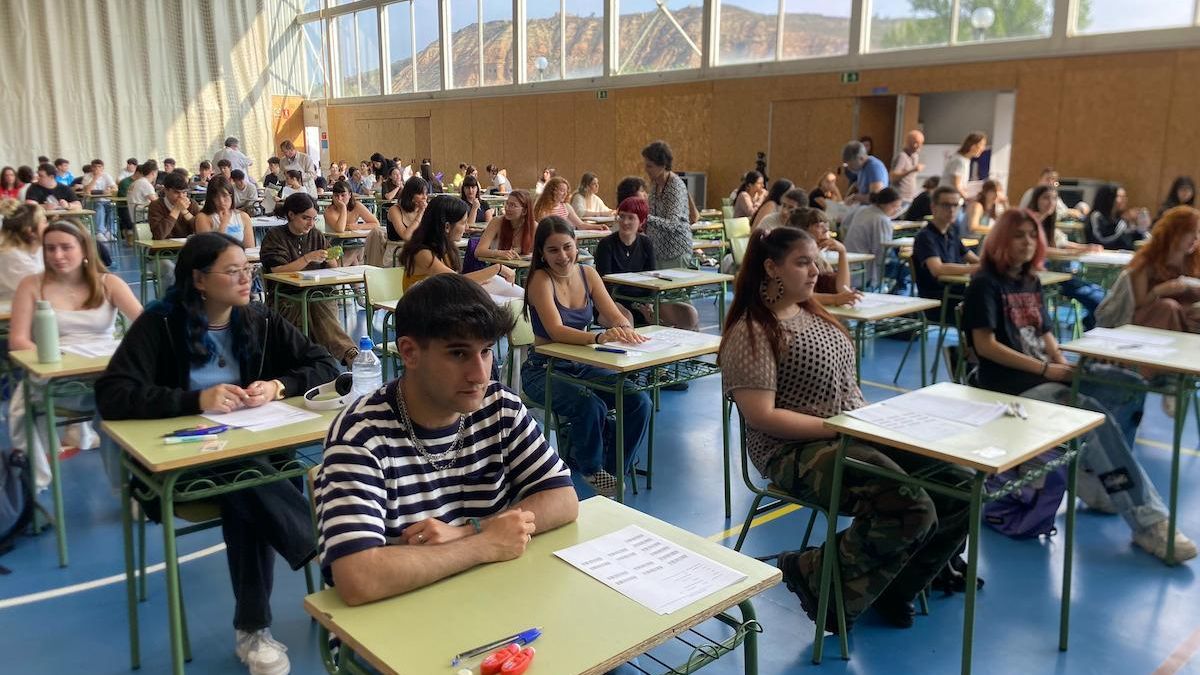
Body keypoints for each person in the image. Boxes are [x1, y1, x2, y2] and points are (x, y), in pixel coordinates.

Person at [97, 232, 337, 675]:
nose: (246, 279)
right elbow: (113, 394)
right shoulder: (161, 324)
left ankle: (254, 630)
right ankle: (332, 559)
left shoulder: (258, 320)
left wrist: (278, 386)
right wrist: (195, 401)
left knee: (246, 489)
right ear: (199, 280)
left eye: (247, 270)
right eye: (233, 272)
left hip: (255, 456)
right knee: (249, 481)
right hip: (179, 467)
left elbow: (324, 363)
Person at [720, 225, 970, 632]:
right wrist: (838, 429)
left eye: (815, 261)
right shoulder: (752, 331)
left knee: (958, 486)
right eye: (803, 262)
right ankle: (815, 574)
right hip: (791, 450)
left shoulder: (812, 311)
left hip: (849, 429)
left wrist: (875, 423)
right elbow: (762, 416)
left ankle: (894, 588)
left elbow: (847, 387)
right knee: (912, 504)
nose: (814, 270)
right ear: (772, 268)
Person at [313, 273, 579, 630]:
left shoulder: (499, 406)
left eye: (485, 351)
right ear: (409, 352)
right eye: (458, 353)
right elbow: (358, 576)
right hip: (398, 627)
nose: (479, 374)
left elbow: (562, 498)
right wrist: (484, 545)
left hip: (497, 605)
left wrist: (468, 531)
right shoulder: (361, 435)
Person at [961, 209, 1195, 564]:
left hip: (1045, 374)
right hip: (1009, 387)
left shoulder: (1031, 281)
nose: (1027, 242)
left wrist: (1058, 362)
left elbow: (1045, 333)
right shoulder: (985, 284)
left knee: (1127, 384)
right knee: (1091, 415)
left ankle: (1103, 481)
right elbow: (986, 346)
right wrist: (1046, 369)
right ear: (1001, 240)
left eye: (1031, 235)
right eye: (1018, 235)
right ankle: (1149, 521)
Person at [520, 217, 653, 498]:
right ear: (541, 253)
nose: (562, 256)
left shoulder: (588, 274)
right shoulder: (539, 279)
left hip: (583, 365)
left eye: (567, 247)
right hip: (543, 369)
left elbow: (614, 314)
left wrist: (624, 328)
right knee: (589, 403)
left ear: (576, 245)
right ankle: (591, 468)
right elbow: (555, 330)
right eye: (553, 250)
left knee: (638, 401)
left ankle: (613, 472)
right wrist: (597, 337)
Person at [9, 220, 141, 491]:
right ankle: (34, 481)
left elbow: (144, 327)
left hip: (106, 371)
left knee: (118, 410)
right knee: (23, 406)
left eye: (66, 247)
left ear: (84, 249)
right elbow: (18, 340)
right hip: (56, 375)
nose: (57, 255)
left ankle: (126, 488)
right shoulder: (32, 285)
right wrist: (55, 359)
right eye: (50, 248)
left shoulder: (109, 283)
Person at [260, 193, 359, 366]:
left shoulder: (316, 235)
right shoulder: (274, 237)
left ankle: (343, 355)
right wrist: (308, 258)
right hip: (286, 295)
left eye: (314, 219)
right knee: (313, 304)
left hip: (317, 291)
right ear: (291, 215)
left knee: (318, 301)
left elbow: (334, 268)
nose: (311, 224)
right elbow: (277, 270)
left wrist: (330, 259)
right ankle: (349, 353)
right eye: (306, 218)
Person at [594, 196, 700, 331]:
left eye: (631, 218)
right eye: (621, 216)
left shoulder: (646, 243)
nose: (625, 222)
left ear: (641, 221)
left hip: (644, 300)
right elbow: (605, 285)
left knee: (689, 314)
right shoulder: (606, 244)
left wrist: (649, 303)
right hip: (613, 301)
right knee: (625, 319)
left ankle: (678, 350)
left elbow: (652, 279)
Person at [398, 195, 514, 291]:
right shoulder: (422, 253)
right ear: (447, 226)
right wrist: (497, 268)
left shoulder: (446, 248)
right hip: (422, 313)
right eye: (463, 223)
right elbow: (456, 281)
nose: (467, 227)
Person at [1030, 184, 1106, 330]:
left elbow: (1062, 243)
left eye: (1054, 198)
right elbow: (1040, 250)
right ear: (1036, 200)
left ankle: (1089, 325)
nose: (1050, 202)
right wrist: (1072, 253)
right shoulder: (1031, 222)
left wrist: (1086, 247)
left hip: (1061, 275)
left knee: (1104, 296)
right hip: (1046, 278)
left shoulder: (1048, 223)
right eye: (1046, 198)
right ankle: (1089, 330)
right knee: (1098, 299)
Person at [1129, 206, 1200, 334]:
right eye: (1190, 232)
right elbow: (1138, 303)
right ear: (1174, 233)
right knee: (1168, 307)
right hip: (1152, 318)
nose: (1196, 238)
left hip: (1186, 317)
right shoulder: (1147, 260)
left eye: (1198, 232)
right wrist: (1160, 290)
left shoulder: (1195, 258)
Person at [912, 186, 980, 317]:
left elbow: (972, 258)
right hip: (939, 299)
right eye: (946, 205)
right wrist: (975, 269)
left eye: (955, 205)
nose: (952, 210)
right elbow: (938, 269)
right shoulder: (925, 236)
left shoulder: (951, 232)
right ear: (934, 207)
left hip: (956, 291)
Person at [789, 208, 862, 307]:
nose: (826, 230)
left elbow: (842, 288)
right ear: (803, 231)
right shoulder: (794, 259)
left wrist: (842, 252)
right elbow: (799, 296)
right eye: (818, 226)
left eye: (826, 225)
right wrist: (835, 299)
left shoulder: (819, 258)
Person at [641, 141, 693, 269]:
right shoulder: (655, 184)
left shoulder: (675, 186)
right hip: (658, 252)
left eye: (650, 166)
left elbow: (673, 224)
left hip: (676, 251)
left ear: (663, 166)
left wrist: (646, 218)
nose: (646, 169)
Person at [841, 187, 904, 290]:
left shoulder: (862, 209)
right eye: (894, 206)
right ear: (884, 204)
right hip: (864, 271)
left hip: (850, 263)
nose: (896, 210)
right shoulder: (881, 219)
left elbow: (844, 224)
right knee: (903, 269)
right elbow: (882, 251)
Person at [0, 203, 47, 302]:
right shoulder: (11, 256)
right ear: (30, 231)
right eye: (44, 222)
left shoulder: (38, 249)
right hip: (12, 312)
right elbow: (42, 287)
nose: (48, 226)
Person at [196, 176, 256, 249]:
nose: (221, 201)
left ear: (231, 195)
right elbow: (208, 249)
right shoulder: (203, 217)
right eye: (216, 197)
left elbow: (250, 248)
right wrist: (223, 224)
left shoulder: (243, 216)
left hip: (239, 258)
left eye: (225, 196)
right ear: (211, 198)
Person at [476, 190, 535, 259]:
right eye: (507, 203)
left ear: (524, 211)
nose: (507, 208)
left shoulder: (534, 227)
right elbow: (478, 251)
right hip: (498, 267)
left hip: (524, 268)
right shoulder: (497, 221)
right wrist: (499, 253)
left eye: (513, 205)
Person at [1086, 183, 1147, 250]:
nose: (1124, 200)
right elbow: (1102, 240)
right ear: (1109, 198)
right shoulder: (1096, 217)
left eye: (1124, 197)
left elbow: (1130, 241)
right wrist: (1123, 224)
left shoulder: (1119, 220)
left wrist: (1140, 228)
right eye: (1120, 197)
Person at [533, 176, 601, 231]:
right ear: (553, 191)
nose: (565, 194)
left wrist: (598, 227)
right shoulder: (542, 208)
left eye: (566, 191)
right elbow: (540, 229)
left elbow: (580, 225)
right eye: (562, 191)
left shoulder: (566, 207)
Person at [148, 171, 200, 239]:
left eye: (184, 192)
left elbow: (200, 230)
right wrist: (176, 209)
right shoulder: (156, 205)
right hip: (163, 248)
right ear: (166, 190)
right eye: (176, 192)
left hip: (188, 247)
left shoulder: (192, 204)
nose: (181, 196)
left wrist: (184, 211)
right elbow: (159, 235)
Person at [386, 176, 429, 242]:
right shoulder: (394, 210)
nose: (425, 197)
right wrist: (420, 214)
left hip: (419, 248)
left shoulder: (426, 210)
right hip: (397, 249)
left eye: (426, 193)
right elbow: (406, 236)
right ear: (410, 194)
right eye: (420, 193)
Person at [891, 130, 925, 206]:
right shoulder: (902, 156)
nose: (917, 146)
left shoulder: (915, 156)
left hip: (910, 198)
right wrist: (912, 170)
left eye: (919, 143)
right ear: (908, 142)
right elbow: (893, 177)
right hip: (900, 198)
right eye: (915, 143)